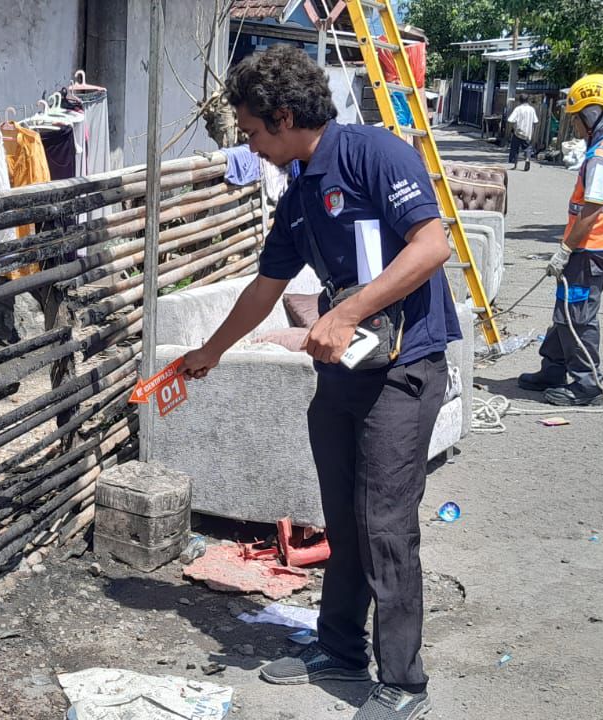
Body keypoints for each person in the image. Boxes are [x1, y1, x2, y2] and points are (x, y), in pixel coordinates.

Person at [180, 44, 458, 720]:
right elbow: (264, 287)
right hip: (348, 369)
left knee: (385, 524)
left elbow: (432, 246)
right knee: (342, 514)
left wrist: (347, 312)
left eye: (252, 130)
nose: (250, 145)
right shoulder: (300, 192)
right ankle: (339, 649)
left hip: (405, 368)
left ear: (283, 116)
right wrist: (210, 352)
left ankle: (405, 683)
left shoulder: (373, 154)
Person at [518, 73, 603, 406]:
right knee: (567, 308)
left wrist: (565, 250)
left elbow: (591, 210)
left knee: (576, 315)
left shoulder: (602, 157)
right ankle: (553, 369)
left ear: (592, 113)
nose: (574, 123)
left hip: (593, 248)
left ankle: (587, 385)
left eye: (576, 117)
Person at [506, 94, 539, 171]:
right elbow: (535, 121)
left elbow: (510, 120)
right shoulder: (532, 109)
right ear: (527, 100)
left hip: (518, 132)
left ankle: (515, 165)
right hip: (528, 133)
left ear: (520, 100)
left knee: (515, 148)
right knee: (528, 148)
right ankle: (527, 159)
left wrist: (512, 127)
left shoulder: (518, 109)